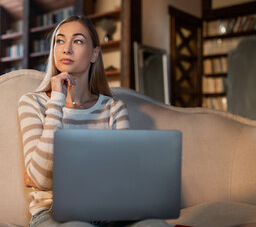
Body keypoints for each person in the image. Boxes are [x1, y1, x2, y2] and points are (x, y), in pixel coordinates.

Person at [18, 15, 171, 227]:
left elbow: (125, 176)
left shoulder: (113, 108)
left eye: (78, 41)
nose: (66, 49)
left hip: (108, 209)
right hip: (52, 213)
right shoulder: (32, 103)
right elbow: (42, 178)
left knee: (156, 224)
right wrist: (57, 101)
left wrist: (60, 175)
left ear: (94, 54)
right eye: (59, 41)